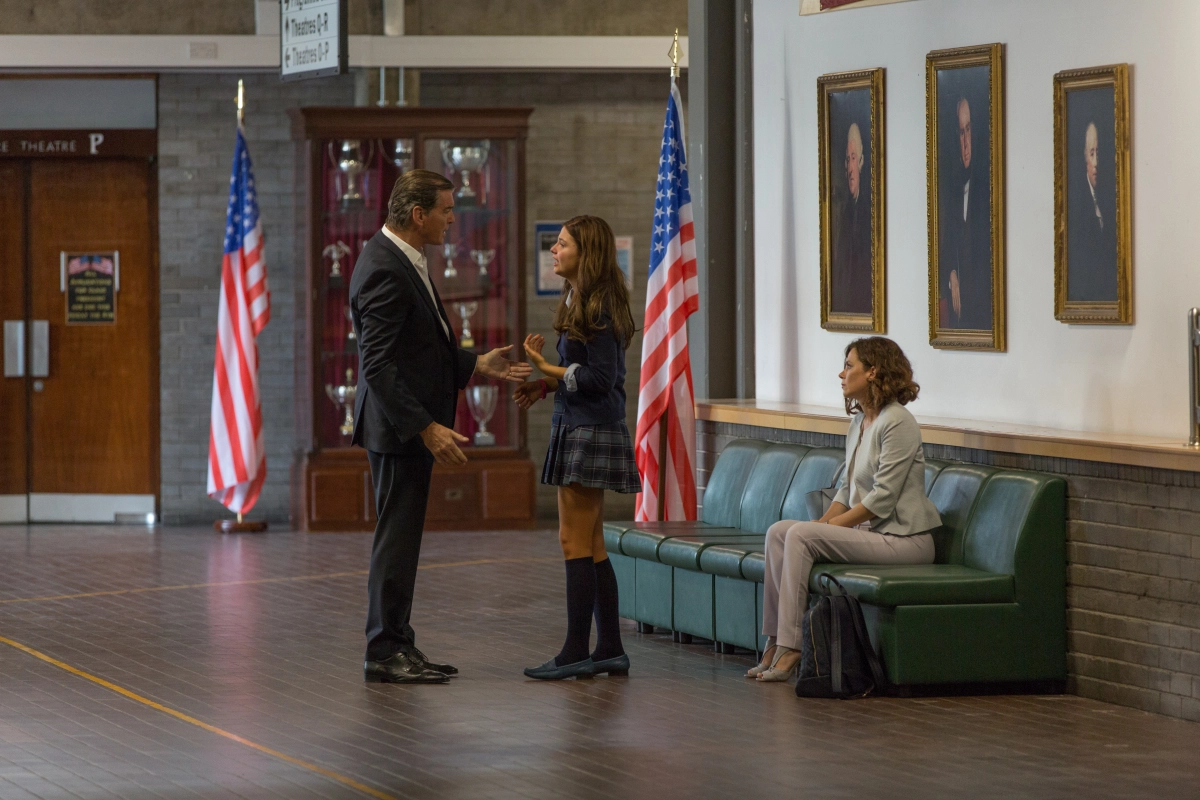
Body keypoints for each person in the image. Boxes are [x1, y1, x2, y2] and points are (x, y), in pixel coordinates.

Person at [350, 169, 532, 684]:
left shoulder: (400, 256)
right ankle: (384, 650)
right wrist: (425, 428)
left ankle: (399, 643)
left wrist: (475, 363)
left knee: (403, 540)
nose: (453, 219)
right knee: (396, 540)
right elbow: (378, 365)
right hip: (399, 431)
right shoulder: (385, 267)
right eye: (446, 210)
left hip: (402, 426)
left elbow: (420, 348)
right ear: (418, 214)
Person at [749, 336, 941, 682]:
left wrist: (826, 530)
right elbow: (846, 489)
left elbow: (882, 499)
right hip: (871, 535)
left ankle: (793, 647)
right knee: (780, 532)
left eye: (849, 366)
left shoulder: (898, 422)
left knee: (801, 535)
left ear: (873, 372)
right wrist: (823, 524)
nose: (842, 374)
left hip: (904, 540)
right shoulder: (859, 422)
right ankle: (775, 640)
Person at [512, 215, 641, 681]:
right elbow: (581, 373)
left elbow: (601, 378)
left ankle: (574, 653)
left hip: (591, 430)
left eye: (563, 244)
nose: (554, 249)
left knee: (573, 540)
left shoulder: (600, 304)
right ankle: (609, 649)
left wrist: (545, 367)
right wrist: (544, 386)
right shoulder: (579, 297)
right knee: (591, 542)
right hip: (579, 423)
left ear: (587, 254)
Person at [941, 95, 992, 330]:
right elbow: (948, 246)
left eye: (969, 130)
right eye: (961, 132)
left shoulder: (986, 189)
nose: (965, 142)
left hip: (985, 312)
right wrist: (952, 274)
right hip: (961, 317)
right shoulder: (954, 190)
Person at [1067, 121, 1118, 301]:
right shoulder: (1078, 204)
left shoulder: (1107, 196)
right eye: (1091, 154)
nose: (1096, 162)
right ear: (1084, 157)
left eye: (1098, 153)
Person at [830, 121, 872, 315]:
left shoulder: (869, 211)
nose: (849, 168)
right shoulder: (846, 212)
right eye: (847, 159)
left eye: (853, 158)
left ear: (861, 162)